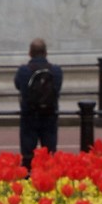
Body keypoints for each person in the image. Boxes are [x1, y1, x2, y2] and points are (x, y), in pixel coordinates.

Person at [15, 38, 62, 169]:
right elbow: (57, 88)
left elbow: (18, 85)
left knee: (28, 155)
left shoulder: (24, 71)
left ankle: (28, 179)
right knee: (50, 153)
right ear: (46, 53)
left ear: (30, 53)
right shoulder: (56, 71)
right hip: (49, 115)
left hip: (29, 115)